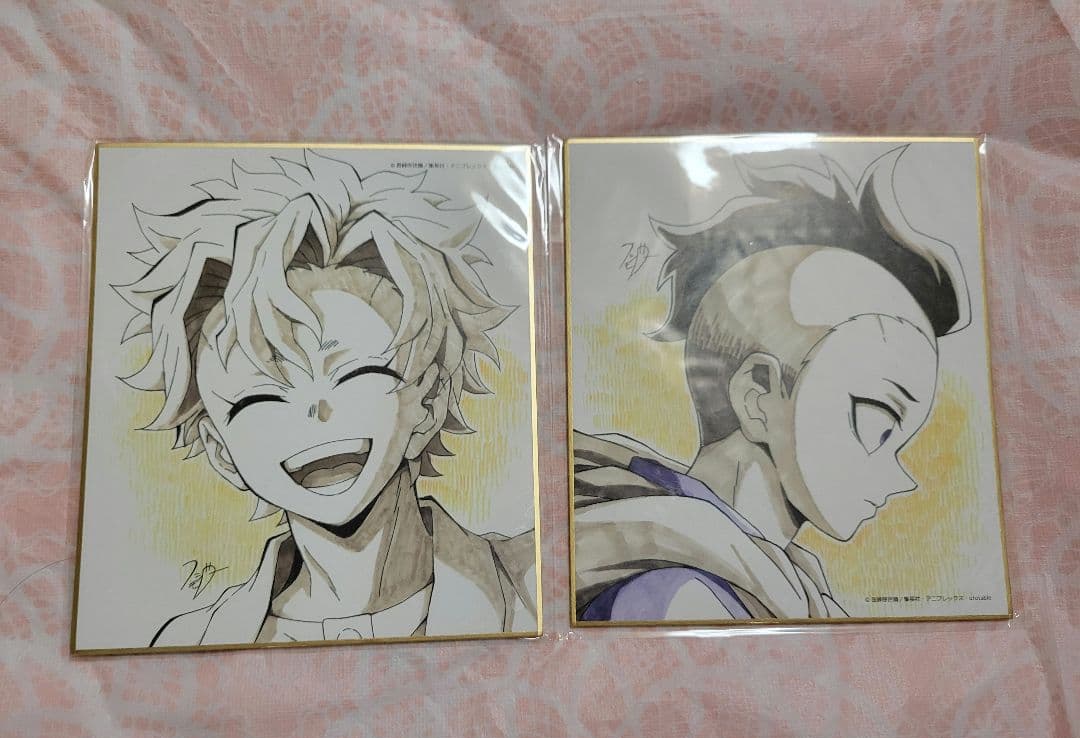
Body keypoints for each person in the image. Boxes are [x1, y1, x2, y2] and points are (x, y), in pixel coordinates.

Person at [114, 150, 536, 646]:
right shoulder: (191, 642)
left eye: (355, 373)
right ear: (221, 451)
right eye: (259, 398)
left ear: (429, 399)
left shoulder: (536, 587)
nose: (315, 413)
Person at [574, 146, 970, 622]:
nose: (901, 479)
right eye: (878, 426)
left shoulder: (779, 585)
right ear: (758, 396)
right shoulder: (683, 596)